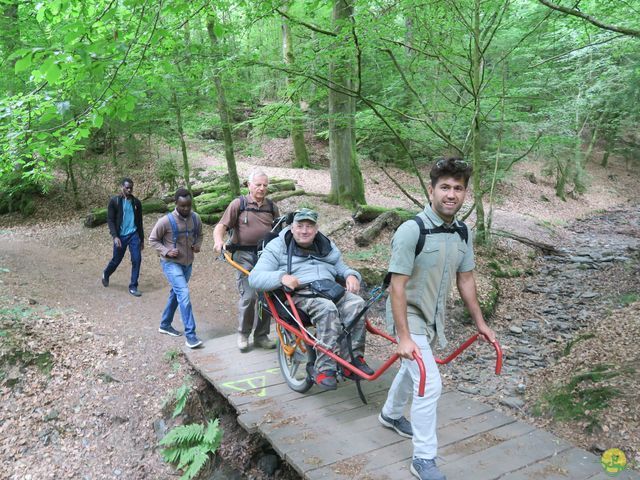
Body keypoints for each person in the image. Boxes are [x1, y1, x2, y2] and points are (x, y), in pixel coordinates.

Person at [378, 158, 497, 480]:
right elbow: (397, 287)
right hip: (408, 315)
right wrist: (403, 337)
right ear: (431, 190)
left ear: (465, 194)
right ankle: (424, 458)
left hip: (434, 317)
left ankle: (390, 415)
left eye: (458, 188)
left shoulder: (462, 232)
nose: (451, 194)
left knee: (412, 368)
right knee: (429, 383)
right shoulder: (411, 231)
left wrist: (481, 323)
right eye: (445, 187)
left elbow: (467, 279)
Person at [248, 208, 374, 390]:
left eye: (309, 226)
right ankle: (324, 369)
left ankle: (352, 360)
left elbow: (342, 267)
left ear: (316, 229)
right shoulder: (278, 246)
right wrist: (281, 277)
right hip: (300, 293)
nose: (304, 231)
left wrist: (351, 275)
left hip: (329, 288)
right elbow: (255, 278)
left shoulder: (326, 245)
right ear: (292, 228)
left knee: (357, 304)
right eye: (300, 226)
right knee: (327, 309)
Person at [213, 170, 279, 352]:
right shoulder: (238, 204)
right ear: (249, 185)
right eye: (258, 185)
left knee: (266, 297)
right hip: (243, 256)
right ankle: (243, 334)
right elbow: (221, 226)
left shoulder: (271, 207)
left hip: (266, 257)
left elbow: (279, 231)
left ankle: (261, 336)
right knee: (249, 296)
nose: (261, 188)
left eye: (265, 185)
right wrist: (218, 241)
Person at [149, 188, 204, 349]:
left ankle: (165, 324)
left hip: (187, 264)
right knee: (184, 294)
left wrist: (197, 245)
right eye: (182, 206)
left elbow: (200, 234)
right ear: (176, 204)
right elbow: (153, 240)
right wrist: (166, 251)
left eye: (188, 205)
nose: (186, 209)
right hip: (170, 264)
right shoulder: (165, 221)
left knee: (177, 293)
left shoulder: (196, 218)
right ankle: (191, 336)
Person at [102, 177, 144, 297]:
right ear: (122, 187)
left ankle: (133, 286)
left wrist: (142, 239)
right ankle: (106, 273)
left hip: (133, 235)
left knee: (137, 259)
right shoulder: (114, 201)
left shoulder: (136, 203)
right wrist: (115, 236)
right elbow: (110, 220)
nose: (129, 190)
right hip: (120, 236)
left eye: (131, 187)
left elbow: (140, 222)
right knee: (116, 260)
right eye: (127, 187)